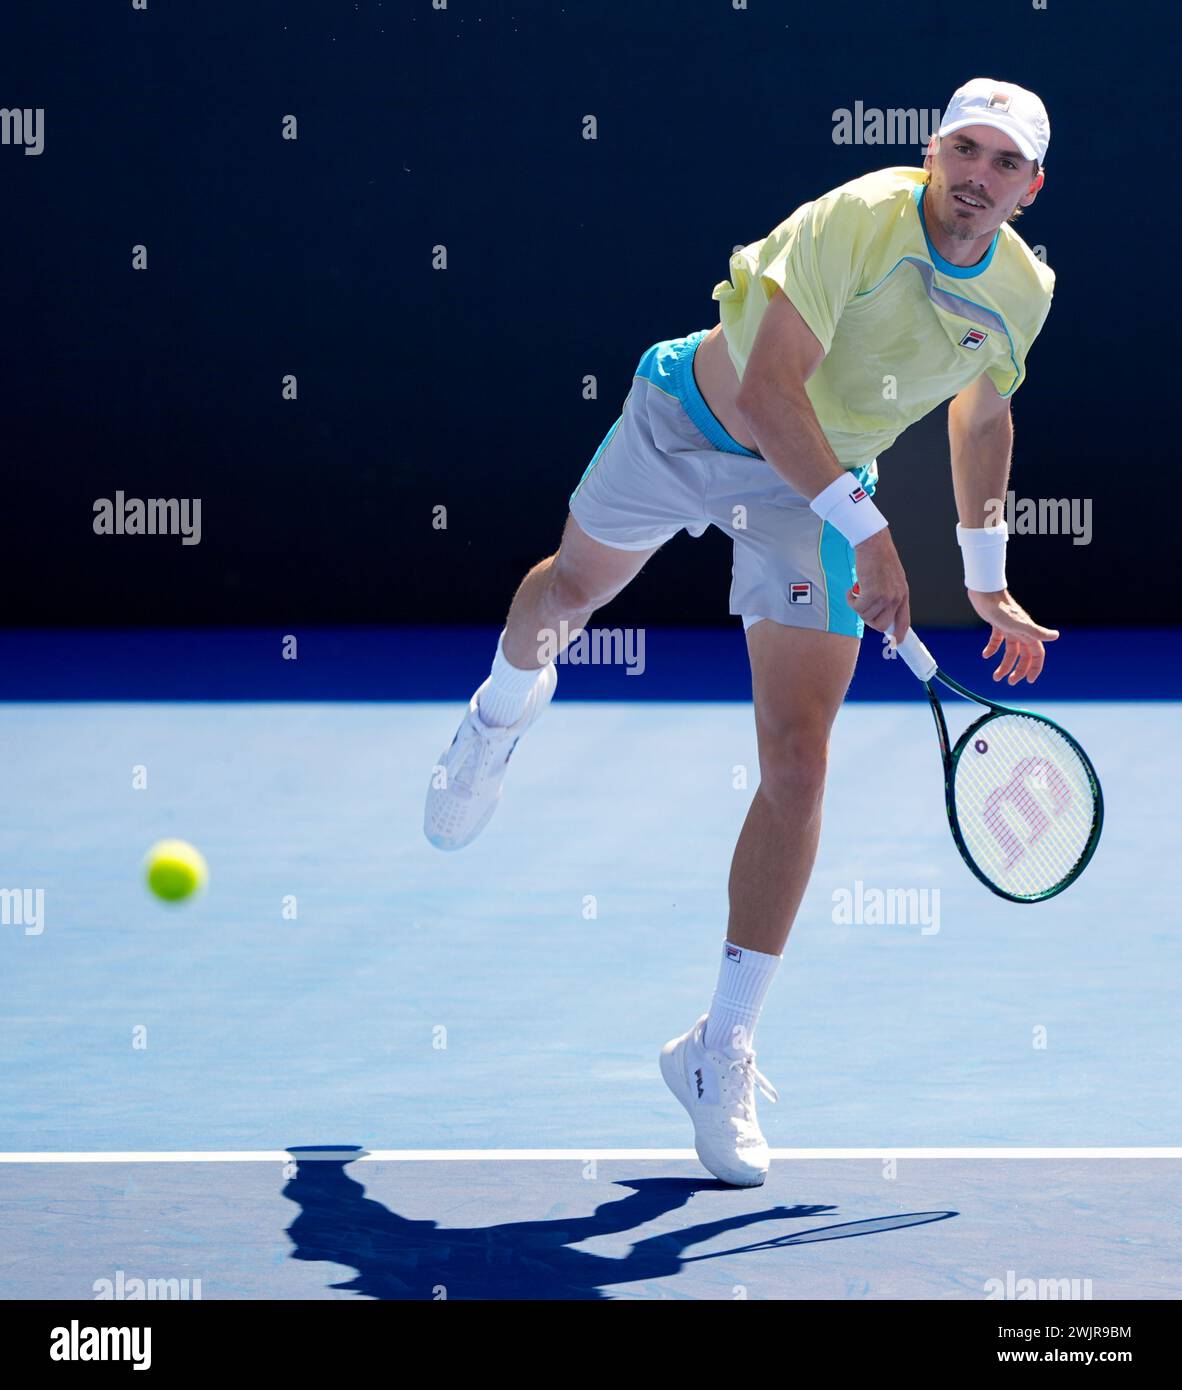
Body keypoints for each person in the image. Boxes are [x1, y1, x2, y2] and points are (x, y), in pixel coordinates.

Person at [424, 78, 1059, 1187]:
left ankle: (718, 1048)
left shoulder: (1021, 289)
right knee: (567, 595)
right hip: (696, 422)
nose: (978, 176)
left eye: (1004, 163)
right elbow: (772, 392)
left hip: (810, 496)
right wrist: (870, 532)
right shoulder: (856, 219)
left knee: (799, 767)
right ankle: (498, 712)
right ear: (930, 150)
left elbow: (982, 410)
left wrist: (987, 577)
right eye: (965, 148)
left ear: (1030, 186)